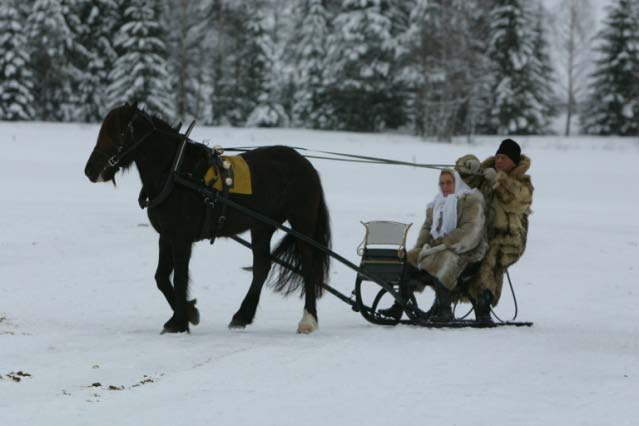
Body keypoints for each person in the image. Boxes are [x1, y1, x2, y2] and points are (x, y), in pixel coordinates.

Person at [381, 169, 487, 322]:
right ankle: (399, 305)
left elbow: (472, 230)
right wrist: (420, 248)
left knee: (445, 260)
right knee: (409, 259)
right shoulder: (437, 203)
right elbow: (427, 229)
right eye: (442, 183)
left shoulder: (470, 201)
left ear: (456, 183)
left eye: (449, 183)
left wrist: (447, 242)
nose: (445, 186)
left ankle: (444, 309)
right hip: (437, 249)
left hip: (465, 251)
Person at [455, 138, 533, 325]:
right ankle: (442, 303)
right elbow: (466, 178)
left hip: (508, 240)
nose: (499, 161)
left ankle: (483, 307)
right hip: (481, 235)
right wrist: (468, 165)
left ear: (513, 162)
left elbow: (517, 199)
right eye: (497, 157)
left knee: (488, 263)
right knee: (455, 258)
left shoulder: (523, 183)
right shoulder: (485, 177)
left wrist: (498, 180)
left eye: (503, 158)